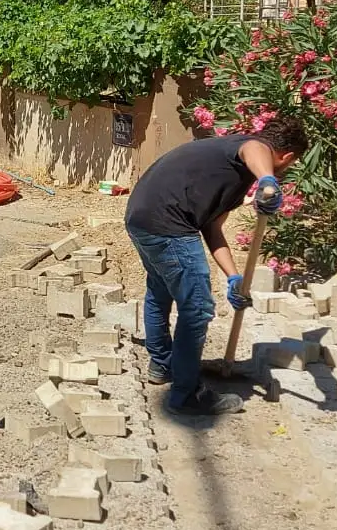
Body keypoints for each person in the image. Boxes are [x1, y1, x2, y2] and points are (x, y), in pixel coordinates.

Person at [125, 114, 309, 416]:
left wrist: (234, 277)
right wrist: (269, 180)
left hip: (142, 217)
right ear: (286, 157)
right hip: (168, 222)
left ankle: (162, 365)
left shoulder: (230, 165)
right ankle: (187, 396)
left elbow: (213, 228)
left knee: (160, 291)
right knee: (196, 308)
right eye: (289, 165)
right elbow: (256, 149)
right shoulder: (249, 148)